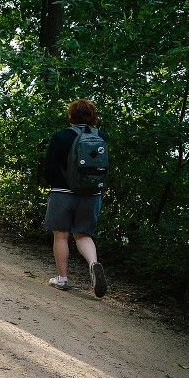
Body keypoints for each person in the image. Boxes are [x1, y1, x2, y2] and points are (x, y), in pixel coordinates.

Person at [43, 98, 108, 298]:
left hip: (62, 193)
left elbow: (49, 167)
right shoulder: (101, 137)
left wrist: (54, 183)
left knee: (61, 235)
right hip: (91, 194)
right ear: (92, 116)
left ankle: (62, 279)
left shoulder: (61, 136)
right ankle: (93, 263)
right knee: (83, 235)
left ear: (70, 116)